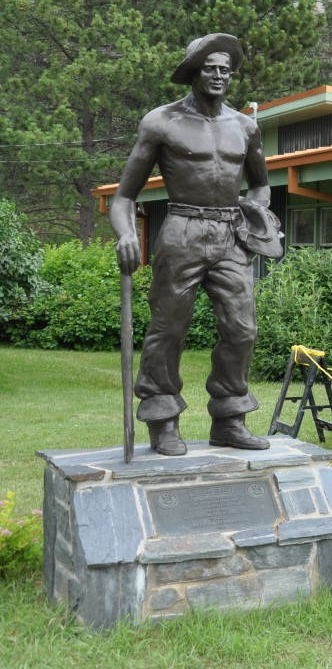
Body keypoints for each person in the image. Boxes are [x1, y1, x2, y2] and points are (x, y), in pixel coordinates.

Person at [111, 34, 280, 456]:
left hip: (230, 235)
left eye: (226, 69)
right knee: (168, 330)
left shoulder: (245, 127)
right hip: (181, 229)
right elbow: (123, 196)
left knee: (242, 329)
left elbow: (261, 186)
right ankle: (162, 418)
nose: (220, 75)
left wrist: (254, 218)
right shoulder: (161, 122)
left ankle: (229, 418)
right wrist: (128, 232)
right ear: (193, 71)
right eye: (211, 67)